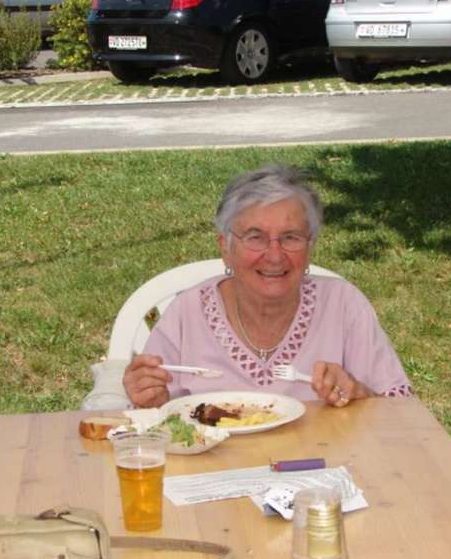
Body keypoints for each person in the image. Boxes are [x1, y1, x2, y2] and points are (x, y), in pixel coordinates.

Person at [123, 164, 412, 408]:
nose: (274, 255)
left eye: (291, 237)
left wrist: (360, 393)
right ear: (226, 247)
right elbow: (154, 421)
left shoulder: (343, 304)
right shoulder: (189, 312)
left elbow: (401, 416)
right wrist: (148, 398)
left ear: (310, 245)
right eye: (255, 237)